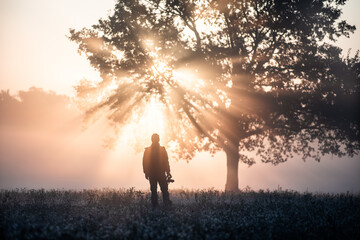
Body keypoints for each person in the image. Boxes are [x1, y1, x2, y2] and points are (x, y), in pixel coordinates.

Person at [143, 133, 172, 208]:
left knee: (154, 190)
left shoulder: (148, 150)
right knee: (164, 190)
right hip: (160, 173)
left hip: (153, 174)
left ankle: (155, 206)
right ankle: (166, 204)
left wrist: (146, 172)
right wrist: (168, 172)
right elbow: (166, 161)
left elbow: (144, 162)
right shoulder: (162, 149)